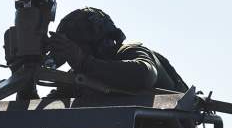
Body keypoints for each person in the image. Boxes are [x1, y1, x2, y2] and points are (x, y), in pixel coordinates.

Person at [47, 7, 187, 94]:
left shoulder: (130, 51)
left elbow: (145, 74)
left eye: (79, 47)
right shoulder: (82, 75)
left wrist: (84, 62)